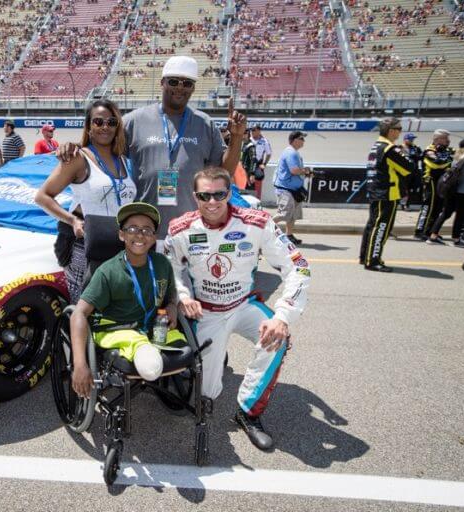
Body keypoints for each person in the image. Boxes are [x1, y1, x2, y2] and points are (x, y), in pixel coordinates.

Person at [165, 167, 309, 451]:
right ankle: (203, 391)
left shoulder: (257, 222)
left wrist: (282, 317)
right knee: (207, 393)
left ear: (229, 193)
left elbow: (299, 267)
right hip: (206, 313)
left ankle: (248, 411)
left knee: (277, 340)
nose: (212, 201)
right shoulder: (180, 228)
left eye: (219, 193)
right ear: (195, 197)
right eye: (204, 195)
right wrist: (182, 295)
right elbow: (173, 270)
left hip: (243, 305)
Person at [58, 55, 246, 238]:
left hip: (190, 229)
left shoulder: (205, 124)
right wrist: (75, 147)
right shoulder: (134, 121)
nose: (180, 88)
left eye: (187, 83)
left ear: (193, 88)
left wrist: (237, 138)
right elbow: (100, 151)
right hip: (143, 230)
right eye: (173, 82)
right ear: (162, 83)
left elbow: (224, 172)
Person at [70, 202, 184, 397]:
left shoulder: (161, 263)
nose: (140, 234)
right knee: (151, 366)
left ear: (153, 237)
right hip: (117, 330)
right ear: (122, 235)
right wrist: (79, 364)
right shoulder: (107, 272)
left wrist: (172, 305)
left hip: (151, 328)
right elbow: (78, 313)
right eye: (132, 229)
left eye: (147, 230)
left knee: (187, 352)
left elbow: (171, 292)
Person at [36, 99, 136, 303]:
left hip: (119, 246)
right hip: (87, 247)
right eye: (98, 122)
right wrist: (72, 221)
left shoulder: (125, 161)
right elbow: (42, 197)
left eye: (111, 122)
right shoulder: (77, 158)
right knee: (84, 312)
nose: (105, 127)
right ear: (89, 127)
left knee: (112, 312)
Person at [359, 118, 416, 272]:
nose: (400, 131)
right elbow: (408, 168)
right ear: (391, 131)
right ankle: (373, 260)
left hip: (377, 191)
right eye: (399, 128)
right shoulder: (389, 148)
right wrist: (405, 153)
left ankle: (365, 256)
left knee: (372, 225)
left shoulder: (377, 145)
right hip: (387, 193)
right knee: (381, 227)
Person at [426, 137, 464, 246]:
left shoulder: (457, 157)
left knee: (445, 213)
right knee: (460, 216)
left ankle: (432, 236)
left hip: (452, 190)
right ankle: (456, 239)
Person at [273, 130, 312, 246]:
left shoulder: (294, 152)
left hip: (293, 190)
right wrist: (306, 171)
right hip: (286, 189)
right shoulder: (291, 153)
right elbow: (294, 170)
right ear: (295, 140)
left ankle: (289, 235)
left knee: (293, 215)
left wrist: (306, 172)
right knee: (284, 214)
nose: (304, 141)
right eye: (302, 138)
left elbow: (297, 170)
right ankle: (264, 227)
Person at [415, 129, 454, 240]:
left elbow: (460, 155)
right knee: (428, 207)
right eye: (445, 138)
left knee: (438, 208)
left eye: (448, 138)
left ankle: (430, 231)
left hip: (442, 183)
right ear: (437, 139)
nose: (448, 140)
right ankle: (419, 231)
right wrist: (450, 159)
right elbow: (437, 164)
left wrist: (450, 158)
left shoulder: (447, 150)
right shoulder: (429, 151)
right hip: (430, 182)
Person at [399, 133, 422, 210]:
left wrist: (417, 156)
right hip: (404, 171)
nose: (412, 140)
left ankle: (408, 204)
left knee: (412, 188)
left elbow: (421, 156)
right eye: (410, 139)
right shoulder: (400, 147)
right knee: (404, 188)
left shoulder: (416, 147)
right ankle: (403, 204)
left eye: (413, 139)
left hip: (414, 171)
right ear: (405, 139)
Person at [250, 124, 272, 200]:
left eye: (254, 130)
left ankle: (257, 199)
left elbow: (269, 154)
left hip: (258, 163)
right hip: (248, 163)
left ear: (259, 131)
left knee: (259, 176)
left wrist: (264, 164)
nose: (252, 131)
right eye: (251, 130)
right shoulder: (248, 139)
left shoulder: (264, 141)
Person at [241, 128, 257, 193]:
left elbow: (254, 160)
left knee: (249, 192)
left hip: (248, 173)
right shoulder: (244, 144)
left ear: (248, 135)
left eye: (244, 134)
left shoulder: (251, 146)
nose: (243, 135)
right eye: (242, 134)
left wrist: (252, 174)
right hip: (242, 172)